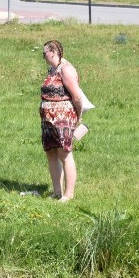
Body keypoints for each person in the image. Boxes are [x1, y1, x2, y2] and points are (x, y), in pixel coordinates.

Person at [40, 40, 87, 202]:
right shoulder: (51, 70)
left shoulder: (66, 69)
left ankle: (69, 194)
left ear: (53, 52)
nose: (43, 55)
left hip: (63, 118)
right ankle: (57, 191)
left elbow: (77, 96)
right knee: (51, 152)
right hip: (48, 119)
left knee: (64, 154)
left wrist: (78, 116)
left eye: (44, 52)